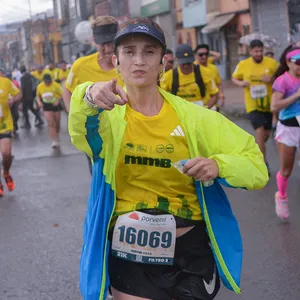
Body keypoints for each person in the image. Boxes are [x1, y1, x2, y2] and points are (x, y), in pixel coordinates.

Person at [68, 18, 268, 300]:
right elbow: (81, 131)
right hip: (131, 253)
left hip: (190, 252)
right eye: (129, 52)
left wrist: (219, 165)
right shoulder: (106, 120)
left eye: (149, 52)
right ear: (116, 61)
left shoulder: (194, 118)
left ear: (163, 62)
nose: (139, 60)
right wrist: (87, 95)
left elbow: (256, 166)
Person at [63, 15, 122, 174]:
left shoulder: (129, 64)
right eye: (103, 43)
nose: (109, 48)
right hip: (95, 135)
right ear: (94, 41)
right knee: (100, 177)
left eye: (112, 42)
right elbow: (68, 91)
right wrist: (74, 116)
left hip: (127, 134)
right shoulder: (80, 66)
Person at [232, 39, 278, 173]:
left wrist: (271, 80)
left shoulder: (272, 63)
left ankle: (258, 151)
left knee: (266, 134)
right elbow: (235, 78)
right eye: (255, 51)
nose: (258, 53)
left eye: (260, 51)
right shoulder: (243, 64)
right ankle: (262, 164)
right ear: (250, 51)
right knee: (260, 130)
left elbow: (281, 77)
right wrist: (242, 84)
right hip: (253, 105)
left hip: (268, 105)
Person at [271, 45, 300, 220]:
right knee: (286, 170)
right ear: (289, 62)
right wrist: (296, 96)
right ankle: (281, 195)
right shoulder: (282, 81)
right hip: (288, 128)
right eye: (297, 62)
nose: (299, 66)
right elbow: (274, 106)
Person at [161, 43, 219, 110]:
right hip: (180, 112)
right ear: (177, 60)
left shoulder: (204, 72)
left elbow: (214, 95)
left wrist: (205, 109)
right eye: (183, 63)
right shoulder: (169, 76)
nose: (186, 66)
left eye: (189, 63)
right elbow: (160, 96)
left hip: (201, 110)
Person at [0, 69, 22, 195]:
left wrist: (13, 100)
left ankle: (6, 172)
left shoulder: (5, 82)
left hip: (4, 125)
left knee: (6, 154)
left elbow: (18, 94)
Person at [36, 74, 63, 148]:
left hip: (56, 105)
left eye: (49, 82)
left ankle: (57, 134)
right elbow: (38, 95)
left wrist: (58, 100)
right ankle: (54, 141)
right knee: (51, 123)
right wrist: (39, 102)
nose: (48, 83)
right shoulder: (40, 86)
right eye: (46, 82)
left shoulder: (56, 85)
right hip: (46, 105)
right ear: (44, 81)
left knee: (57, 122)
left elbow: (62, 93)